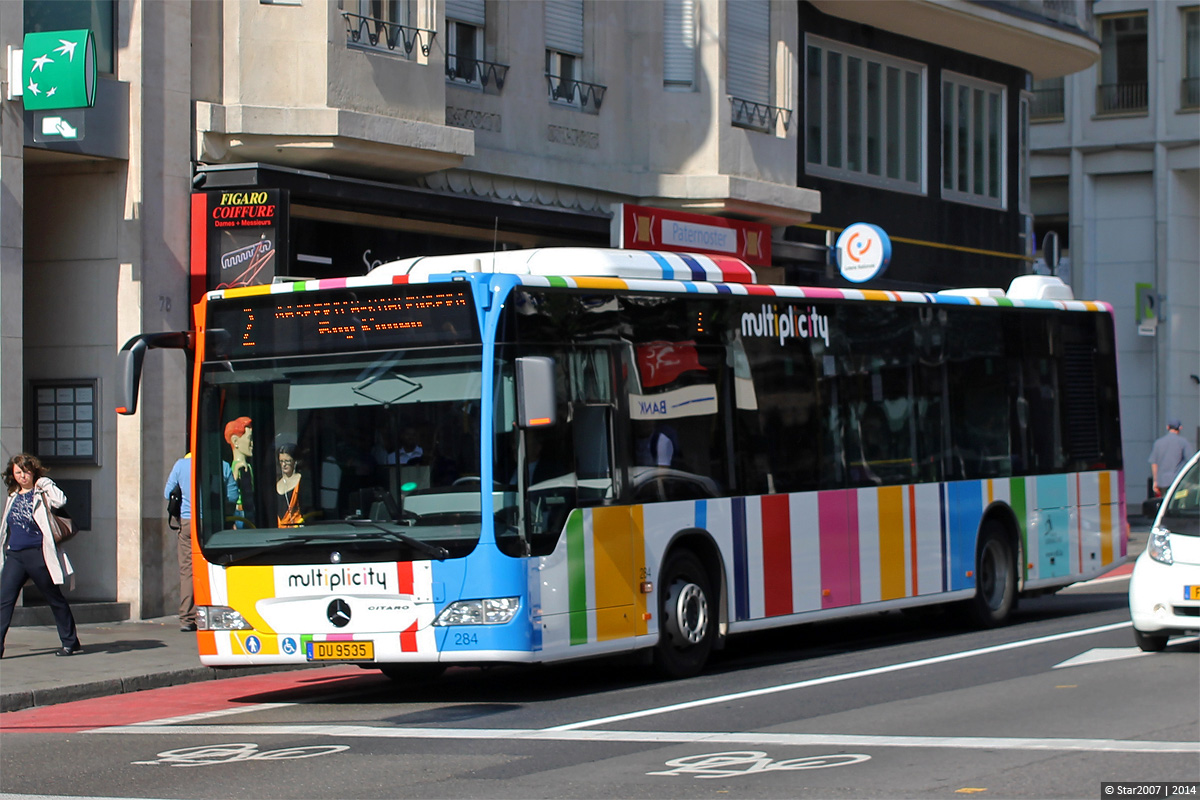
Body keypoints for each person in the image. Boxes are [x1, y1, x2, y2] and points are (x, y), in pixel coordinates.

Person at [0, 453, 81, 658]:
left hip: (38, 554)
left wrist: (45, 482)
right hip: (15, 555)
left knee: (54, 598)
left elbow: (61, 501)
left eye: (26, 471)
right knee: (4, 600)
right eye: (18, 472)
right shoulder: (13, 496)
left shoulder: (41, 492)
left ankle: (70, 642)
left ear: (33, 471)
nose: (22, 476)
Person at [164, 453, 197, 631]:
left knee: (187, 571)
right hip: (210, 525)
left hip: (187, 522)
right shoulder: (221, 464)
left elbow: (167, 493)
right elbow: (231, 495)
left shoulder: (180, 465)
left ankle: (187, 617)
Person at [1149, 418, 1194, 496]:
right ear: (1180, 428)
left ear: (1168, 427)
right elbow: (1191, 461)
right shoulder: (1183, 442)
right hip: (1178, 482)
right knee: (1177, 504)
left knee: (1165, 502)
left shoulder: (1158, 443)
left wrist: (1155, 481)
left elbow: (1154, 463)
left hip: (1162, 482)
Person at [225, 416, 255, 524]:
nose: (252, 444)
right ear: (235, 441)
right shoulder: (237, 467)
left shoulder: (248, 466)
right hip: (241, 512)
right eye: (249, 439)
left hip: (250, 510)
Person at [276, 444, 304, 527]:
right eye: (281, 461)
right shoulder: (277, 483)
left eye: (287, 461)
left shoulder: (301, 480)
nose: (284, 465)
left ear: (295, 461)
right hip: (280, 528)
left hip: (297, 526)